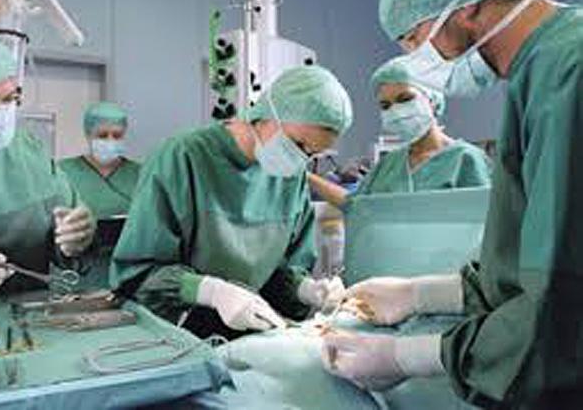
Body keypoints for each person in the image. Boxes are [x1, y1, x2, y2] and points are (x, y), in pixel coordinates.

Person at [321, 0, 583, 408]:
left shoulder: (569, 72)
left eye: (413, 38)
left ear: (465, 4)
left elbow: (562, 303)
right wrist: (420, 294)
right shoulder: (542, 69)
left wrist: (412, 355)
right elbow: (524, 262)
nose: (413, 56)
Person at [111, 66, 352, 339]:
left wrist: (304, 289)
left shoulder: (290, 178)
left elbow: (279, 273)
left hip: (250, 333)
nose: (301, 159)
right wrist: (212, 292)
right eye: (298, 144)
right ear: (268, 113)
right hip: (176, 336)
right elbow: (138, 274)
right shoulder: (183, 157)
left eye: (313, 153)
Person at [0, 35, 96, 323]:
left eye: (10, 98)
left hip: (34, 318)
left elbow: (68, 227)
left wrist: (76, 240)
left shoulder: (27, 149)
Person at [308, 57, 491, 208]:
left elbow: (484, 224)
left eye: (405, 99)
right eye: (385, 105)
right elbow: (356, 205)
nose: (396, 111)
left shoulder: (465, 159)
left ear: (432, 100)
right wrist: (305, 176)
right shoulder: (389, 165)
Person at [59, 102, 141, 220]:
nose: (110, 141)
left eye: (117, 135)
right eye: (102, 135)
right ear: (88, 135)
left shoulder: (140, 174)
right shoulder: (64, 171)